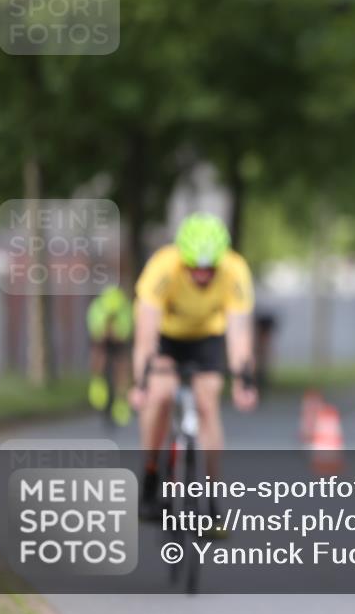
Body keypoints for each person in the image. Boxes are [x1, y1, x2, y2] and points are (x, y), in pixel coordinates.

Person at [129, 213, 258, 522]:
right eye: (194, 268)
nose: (201, 275)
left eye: (208, 269)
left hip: (206, 335)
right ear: (183, 259)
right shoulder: (163, 267)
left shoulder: (235, 269)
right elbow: (146, 336)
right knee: (161, 395)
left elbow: (239, 335)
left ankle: (212, 502)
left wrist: (244, 381)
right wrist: (141, 383)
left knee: (207, 401)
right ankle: (150, 476)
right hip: (166, 335)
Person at [87, 285, 134, 426]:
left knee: (122, 363)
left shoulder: (123, 308)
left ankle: (121, 399)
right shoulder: (98, 307)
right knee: (98, 353)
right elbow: (95, 330)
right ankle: (97, 381)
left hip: (119, 340)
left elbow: (126, 330)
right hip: (101, 339)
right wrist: (102, 332)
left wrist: (118, 333)